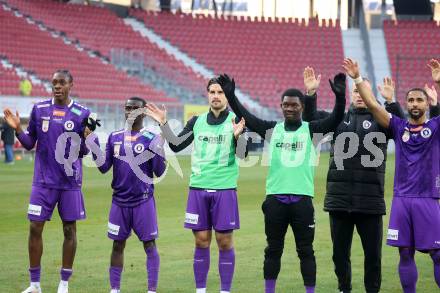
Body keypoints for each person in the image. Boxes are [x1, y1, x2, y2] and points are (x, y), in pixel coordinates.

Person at [302, 67, 437, 293]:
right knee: (339, 255)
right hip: (339, 200)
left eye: (361, 91)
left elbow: (406, 130)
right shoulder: (337, 119)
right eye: (355, 91)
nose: (358, 95)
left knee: (373, 256)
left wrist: (391, 102)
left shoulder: (382, 122)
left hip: (371, 202)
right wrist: (310, 95)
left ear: (368, 94)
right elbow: (310, 124)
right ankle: (344, 289)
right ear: (351, 95)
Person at [217, 72, 346, 293]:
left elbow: (335, 119)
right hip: (275, 200)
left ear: (302, 107)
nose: (289, 108)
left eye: (294, 105)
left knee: (306, 251)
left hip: (302, 201)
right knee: (273, 250)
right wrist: (231, 95)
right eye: (286, 105)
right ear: (281, 106)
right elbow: (246, 115)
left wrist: (341, 98)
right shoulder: (272, 129)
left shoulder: (311, 130)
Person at [342, 57, 440, 293]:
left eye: (419, 100)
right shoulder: (399, 127)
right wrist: (356, 78)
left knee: (437, 254)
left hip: (428, 199)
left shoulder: (436, 128)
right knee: (404, 251)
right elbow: (374, 106)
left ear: (427, 105)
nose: (415, 103)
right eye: (411, 100)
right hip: (402, 199)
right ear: (405, 104)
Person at [145, 77, 247, 293]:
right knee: (201, 241)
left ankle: (224, 290)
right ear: (207, 94)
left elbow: (243, 154)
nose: (216, 96)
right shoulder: (196, 121)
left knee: (224, 241)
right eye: (212, 92)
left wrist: (238, 137)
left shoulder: (236, 120)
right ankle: (200, 290)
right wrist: (163, 124)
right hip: (198, 189)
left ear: (226, 96)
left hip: (224, 189)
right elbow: (176, 144)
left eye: (220, 92)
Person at [3, 69, 99, 293]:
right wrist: (18, 129)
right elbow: (29, 143)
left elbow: (84, 151)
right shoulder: (40, 109)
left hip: (69, 183)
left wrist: (88, 138)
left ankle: (64, 283)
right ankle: (35, 284)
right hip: (43, 182)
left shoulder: (83, 113)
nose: (57, 86)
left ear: (71, 84)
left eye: (62, 83)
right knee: (35, 228)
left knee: (69, 231)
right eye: (54, 82)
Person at [90, 97, 165, 293]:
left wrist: (159, 144)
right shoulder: (114, 137)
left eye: (135, 108)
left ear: (143, 112)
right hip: (119, 202)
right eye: (127, 107)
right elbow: (103, 167)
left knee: (149, 245)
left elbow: (159, 171)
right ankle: (114, 289)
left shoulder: (151, 137)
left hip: (143, 201)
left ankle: (151, 290)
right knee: (117, 245)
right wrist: (91, 140)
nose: (130, 111)